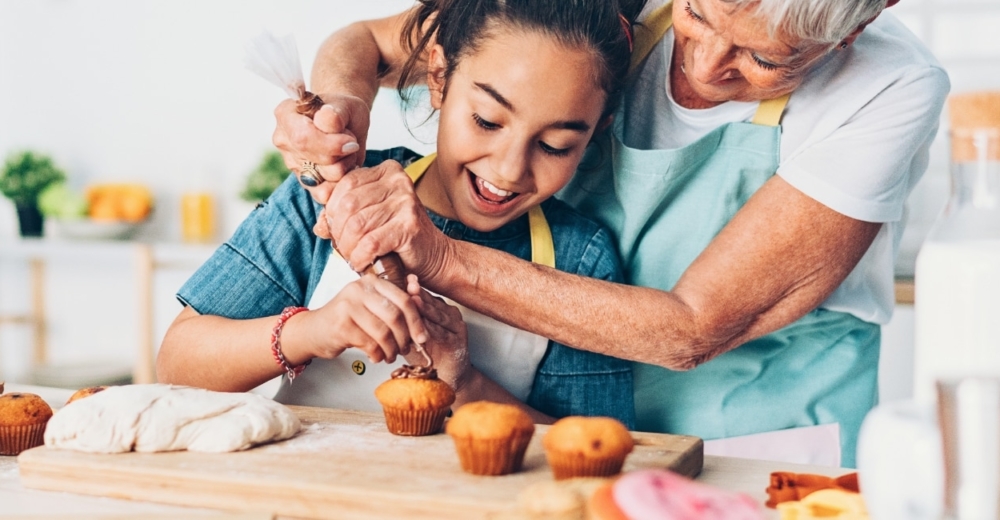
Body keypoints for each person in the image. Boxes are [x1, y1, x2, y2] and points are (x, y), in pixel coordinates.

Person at [271, 0, 950, 467]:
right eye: (697, 14)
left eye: (763, 59)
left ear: (861, 22)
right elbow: (367, 44)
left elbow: (692, 329)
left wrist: (438, 254)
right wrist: (340, 111)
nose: (706, 64)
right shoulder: (610, 8)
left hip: (761, 444)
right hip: (568, 427)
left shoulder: (889, 88)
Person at [157, 0, 649, 427]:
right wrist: (312, 330)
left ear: (595, 131)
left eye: (555, 145)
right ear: (439, 77)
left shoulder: (580, 258)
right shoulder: (337, 192)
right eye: (486, 120)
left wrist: (464, 381)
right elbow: (177, 365)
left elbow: (595, 451)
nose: (509, 168)